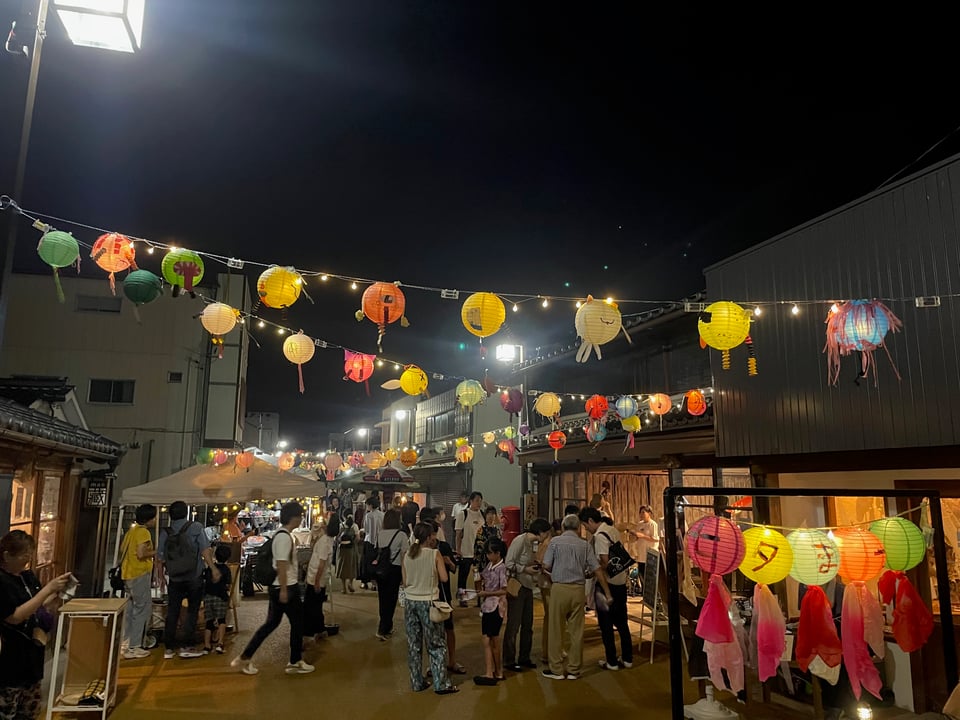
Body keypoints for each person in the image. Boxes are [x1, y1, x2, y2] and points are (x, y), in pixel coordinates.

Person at [231, 502, 314, 675]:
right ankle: (295, 661)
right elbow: (281, 564)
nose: (301, 520)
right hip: (285, 587)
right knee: (297, 623)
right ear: (294, 517)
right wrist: (284, 588)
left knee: (271, 624)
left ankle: (245, 657)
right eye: (299, 516)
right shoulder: (284, 537)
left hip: (281, 588)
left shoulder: (281, 534)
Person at [0, 530, 73, 720]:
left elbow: (39, 604)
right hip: (9, 658)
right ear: (7, 555)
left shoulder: (27, 576)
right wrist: (47, 590)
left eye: (30, 554)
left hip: (32, 655)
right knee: (8, 712)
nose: (28, 560)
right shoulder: (2, 581)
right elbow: (14, 616)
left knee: (30, 712)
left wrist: (58, 593)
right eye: (24, 555)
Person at [541, 514, 612, 681]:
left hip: (559, 588)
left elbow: (546, 565)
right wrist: (607, 592)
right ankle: (574, 669)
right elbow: (596, 569)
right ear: (578, 528)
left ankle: (557, 669)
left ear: (564, 527)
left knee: (556, 629)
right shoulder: (584, 545)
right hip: (578, 590)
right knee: (576, 631)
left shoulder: (555, 542)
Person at [401, 523, 459, 695]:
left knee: (413, 644)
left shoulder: (407, 555)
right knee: (435, 644)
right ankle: (440, 683)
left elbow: (404, 582)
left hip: (410, 601)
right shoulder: (435, 554)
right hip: (429, 602)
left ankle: (416, 681)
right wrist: (445, 563)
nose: (435, 537)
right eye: (433, 535)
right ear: (428, 537)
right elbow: (444, 578)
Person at [158, 500, 220, 659]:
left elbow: (160, 557)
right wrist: (213, 569)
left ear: (170, 514)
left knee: (173, 610)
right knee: (192, 611)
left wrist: (160, 576)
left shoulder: (166, 532)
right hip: (194, 576)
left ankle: (169, 648)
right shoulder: (196, 527)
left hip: (174, 578)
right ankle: (187, 646)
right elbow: (205, 551)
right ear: (186, 512)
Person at [580, 506, 633, 670]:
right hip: (621, 582)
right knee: (622, 623)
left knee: (606, 624)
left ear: (590, 521)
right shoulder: (612, 529)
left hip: (607, 586)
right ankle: (627, 658)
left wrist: (593, 571)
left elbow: (604, 562)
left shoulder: (599, 537)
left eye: (585, 525)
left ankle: (611, 661)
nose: (586, 529)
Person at [503, 518, 552, 672]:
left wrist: (536, 567)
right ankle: (509, 660)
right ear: (541, 532)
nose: (547, 537)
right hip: (517, 586)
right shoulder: (520, 541)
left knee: (527, 625)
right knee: (514, 625)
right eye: (547, 533)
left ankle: (524, 657)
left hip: (528, 586)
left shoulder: (533, 544)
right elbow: (509, 563)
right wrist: (525, 569)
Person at [420, 507, 464, 675]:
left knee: (449, 628)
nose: (432, 538)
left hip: (443, 594)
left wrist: (447, 562)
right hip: (428, 594)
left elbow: (453, 569)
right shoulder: (421, 549)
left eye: (433, 534)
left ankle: (452, 661)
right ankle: (434, 663)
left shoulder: (444, 547)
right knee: (431, 631)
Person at [120, 503, 156, 659]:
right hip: (139, 573)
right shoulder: (143, 532)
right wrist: (156, 552)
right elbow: (141, 554)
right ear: (149, 519)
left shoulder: (132, 531)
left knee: (129, 611)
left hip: (127, 574)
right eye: (154, 517)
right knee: (142, 609)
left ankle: (125, 643)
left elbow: (123, 550)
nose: (155, 520)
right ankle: (135, 646)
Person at [474, 537, 507, 686]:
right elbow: (483, 577)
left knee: (490, 639)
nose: (488, 556)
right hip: (488, 606)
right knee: (491, 639)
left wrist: (485, 593)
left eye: (490, 553)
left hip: (496, 606)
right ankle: (496, 671)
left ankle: (491, 672)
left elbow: (503, 590)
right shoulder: (490, 565)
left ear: (498, 553)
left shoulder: (501, 568)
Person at [376, 509, 409, 640]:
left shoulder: (380, 534)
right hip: (395, 569)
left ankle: (385, 625)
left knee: (383, 598)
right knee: (391, 599)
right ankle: (384, 628)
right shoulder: (401, 535)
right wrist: (404, 574)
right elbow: (404, 555)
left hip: (382, 569)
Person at [304, 519, 337, 641]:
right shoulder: (325, 539)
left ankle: (312, 631)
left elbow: (322, 564)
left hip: (316, 579)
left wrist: (317, 581)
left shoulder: (325, 542)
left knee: (312, 606)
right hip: (316, 577)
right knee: (315, 606)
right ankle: (319, 630)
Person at [454, 491, 484, 607]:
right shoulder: (463, 514)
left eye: (480, 501)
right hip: (466, 551)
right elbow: (458, 533)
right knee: (463, 577)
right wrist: (458, 549)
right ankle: (462, 598)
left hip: (479, 553)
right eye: (477, 500)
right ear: (470, 501)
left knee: (478, 577)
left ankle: (479, 599)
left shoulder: (482, 514)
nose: (479, 503)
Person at [202, 544, 233, 654]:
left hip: (208, 597)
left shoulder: (210, 568)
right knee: (221, 620)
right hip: (220, 597)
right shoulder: (226, 570)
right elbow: (228, 585)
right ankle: (220, 643)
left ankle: (206, 646)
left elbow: (204, 581)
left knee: (209, 621)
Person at [630, 505, 660, 584]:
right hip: (641, 556)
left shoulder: (653, 524)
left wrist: (643, 536)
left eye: (643, 512)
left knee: (651, 579)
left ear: (649, 513)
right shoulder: (639, 524)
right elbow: (637, 537)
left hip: (650, 556)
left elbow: (656, 539)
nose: (641, 514)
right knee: (642, 577)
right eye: (640, 513)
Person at [361, 496, 384, 591]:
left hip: (369, 541)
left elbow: (366, 530)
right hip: (380, 541)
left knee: (367, 563)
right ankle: (376, 584)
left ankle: (365, 582)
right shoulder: (383, 515)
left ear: (370, 505)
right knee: (377, 562)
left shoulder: (368, 516)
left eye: (367, 505)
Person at [336, 513, 360, 593]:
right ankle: (350, 583)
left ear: (344, 516)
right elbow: (357, 538)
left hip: (342, 549)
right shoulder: (355, 526)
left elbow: (336, 538)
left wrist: (340, 542)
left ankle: (344, 588)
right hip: (351, 549)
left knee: (342, 567)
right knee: (351, 567)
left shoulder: (341, 525)